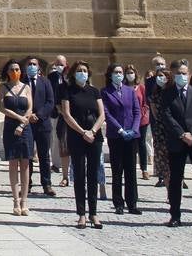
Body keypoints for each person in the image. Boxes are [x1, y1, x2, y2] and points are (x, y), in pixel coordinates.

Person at [59, 59, 105, 230]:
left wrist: (92, 131)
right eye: (79, 70)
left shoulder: (94, 91)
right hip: (77, 136)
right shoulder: (67, 90)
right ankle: (81, 214)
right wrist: (82, 132)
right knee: (79, 175)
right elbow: (66, 114)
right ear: (73, 73)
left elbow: (102, 114)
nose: (82, 73)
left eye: (85, 70)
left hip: (94, 136)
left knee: (93, 175)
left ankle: (94, 213)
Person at [161, 60, 192, 226]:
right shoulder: (166, 93)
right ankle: (175, 215)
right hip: (177, 142)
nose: (182, 76)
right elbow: (166, 116)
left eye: (184, 73)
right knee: (175, 179)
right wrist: (181, 134)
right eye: (178, 73)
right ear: (173, 74)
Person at [101, 62, 141, 215]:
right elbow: (107, 113)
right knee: (117, 170)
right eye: (116, 72)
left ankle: (132, 203)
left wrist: (135, 129)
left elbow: (137, 111)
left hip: (131, 135)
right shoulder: (105, 92)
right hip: (116, 135)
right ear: (110, 74)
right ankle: (118, 203)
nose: (119, 75)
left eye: (120, 72)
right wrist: (120, 129)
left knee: (131, 170)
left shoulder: (129, 91)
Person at [0, 59, 34, 216]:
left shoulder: (26, 87)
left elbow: (30, 107)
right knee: (13, 163)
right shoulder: (3, 87)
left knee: (25, 163)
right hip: (11, 127)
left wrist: (23, 122)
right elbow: (2, 108)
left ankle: (24, 200)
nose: (15, 71)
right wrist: (19, 119)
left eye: (17, 69)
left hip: (25, 128)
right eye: (12, 69)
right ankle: (15, 199)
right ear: (8, 71)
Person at [25, 55, 55, 197]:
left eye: (34, 64)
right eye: (29, 64)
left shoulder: (45, 82)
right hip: (28, 123)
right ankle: (27, 184)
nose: (31, 66)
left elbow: (50, 101)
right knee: (28, 156)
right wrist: (29, 115)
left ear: (38, 67)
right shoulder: (22, 82)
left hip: (43, 123)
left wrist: (39, 115)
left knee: (44, 156)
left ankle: (46, 184)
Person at [124, 63, 150, 180]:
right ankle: (131, 168)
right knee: (131, 145)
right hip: (129, 121)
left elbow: (145, 103)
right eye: (128, 73)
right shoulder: (123, 87)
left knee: (142, 144)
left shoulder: (141, 88)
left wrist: (141, 115)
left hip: (141, 121)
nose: (130, 75)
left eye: (132, 72)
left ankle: (144, 169)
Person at [48, 56, 70, 186]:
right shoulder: (52, 77)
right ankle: (56, 163)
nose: (59, 66)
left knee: (67, 139)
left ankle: (67, 164)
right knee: (55, 138)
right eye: (57, 63)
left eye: (61, 64)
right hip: (55, 112)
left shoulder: (70, 76)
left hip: (69, 113)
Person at [149, 64, 171, 187]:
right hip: (160, 132)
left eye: (162, 76)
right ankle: (169, 193)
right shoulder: (155, 94)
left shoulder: (173, 93)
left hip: (173, 131)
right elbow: (155, 114)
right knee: (165, 165)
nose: (160, 78)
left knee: (175, 164)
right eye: (158, 76)